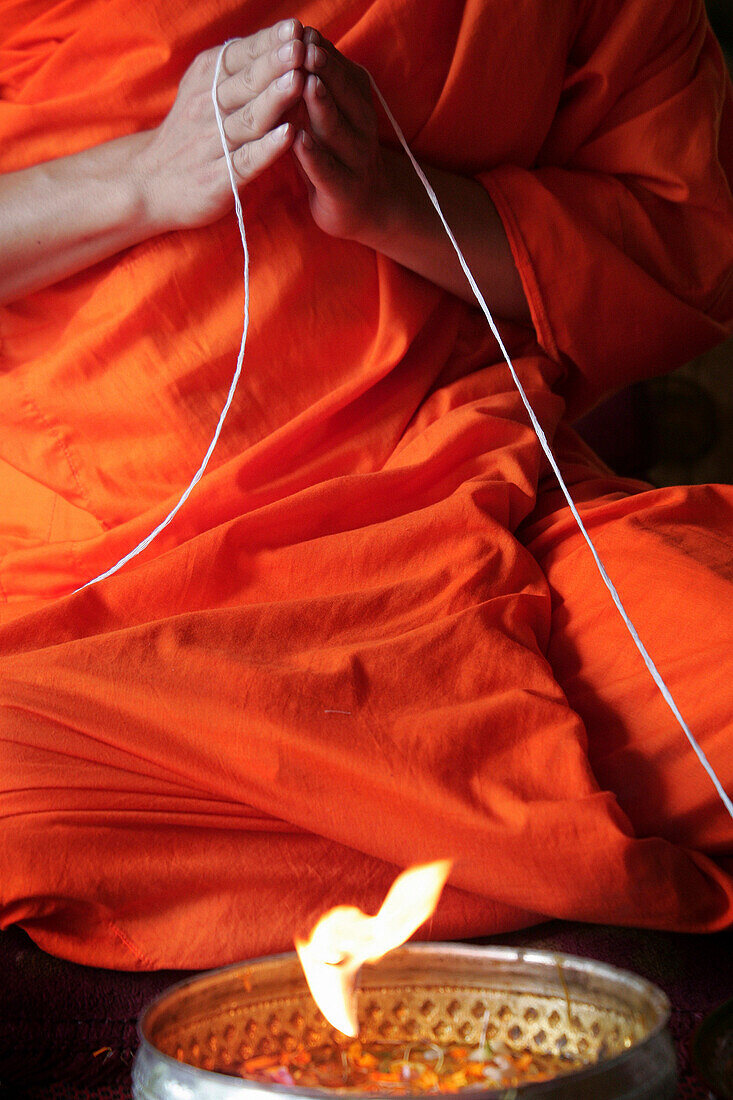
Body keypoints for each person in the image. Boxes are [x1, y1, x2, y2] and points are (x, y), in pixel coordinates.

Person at [0, 0, 731, 970]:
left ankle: (369, 841)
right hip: (105, 597)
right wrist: (147, 178)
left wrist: (392, 197)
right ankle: (494, 834)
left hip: (478, 527)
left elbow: (680, 251)